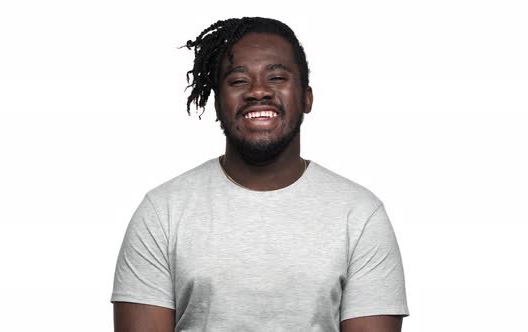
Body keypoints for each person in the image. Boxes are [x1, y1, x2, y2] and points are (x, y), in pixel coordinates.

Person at [111, 17, 409, 332]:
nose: (258, 91)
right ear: (217, 103)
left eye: (277, 77)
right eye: (238, 81)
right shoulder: (162, 213)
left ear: (306, 98)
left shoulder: (360, 215)